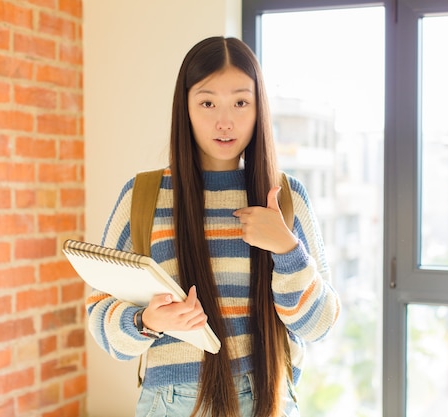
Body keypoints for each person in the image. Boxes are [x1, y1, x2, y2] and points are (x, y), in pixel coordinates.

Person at [86, 36, 340, 417]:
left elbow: (318, 325)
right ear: (185, 107)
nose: (225, 121)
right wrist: (146, 320)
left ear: (259, 108)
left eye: (241, 102)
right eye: (207, 103)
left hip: (268, 400)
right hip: (171, 403)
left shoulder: (286, 197)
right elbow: (98, 314)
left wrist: (287, 250)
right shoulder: (144, 196)